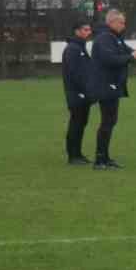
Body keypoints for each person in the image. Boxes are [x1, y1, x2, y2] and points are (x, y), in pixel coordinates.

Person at [88, 9, 136, 169]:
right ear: (112, 22)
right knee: (107, 121)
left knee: (110, 121)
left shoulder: (114, 38)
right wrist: (132, 57)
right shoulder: (104, 39)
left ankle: (105, 158)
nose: (124, 25)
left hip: (113, 85)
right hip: (105, 85)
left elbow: (126, 50)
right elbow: (110, 60)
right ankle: (99, 160)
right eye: (121, 22)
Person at [61, 18, 95, 166]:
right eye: (85, 30)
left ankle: (78, 154)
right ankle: (73, 156)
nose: (89, 32)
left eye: (89, 29)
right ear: (77, 31)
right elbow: (75, 74)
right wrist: (84, 91)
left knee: (81, 123)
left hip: (83, 93)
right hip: (76, 94)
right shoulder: (72, 49)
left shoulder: (80, 47)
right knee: (76, 124)